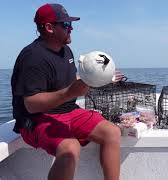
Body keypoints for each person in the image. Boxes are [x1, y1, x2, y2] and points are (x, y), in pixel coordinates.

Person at [11, 4, 120, 180]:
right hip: (36, 119)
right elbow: (30, 104)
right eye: (66, 25)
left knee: (112, 132)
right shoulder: (32, 57)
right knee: (70, 148)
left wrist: (98, 78)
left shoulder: (65, 50)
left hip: (68, 111)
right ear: (49, 27)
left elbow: (66, 82)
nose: (71, 28)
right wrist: (69, 93)